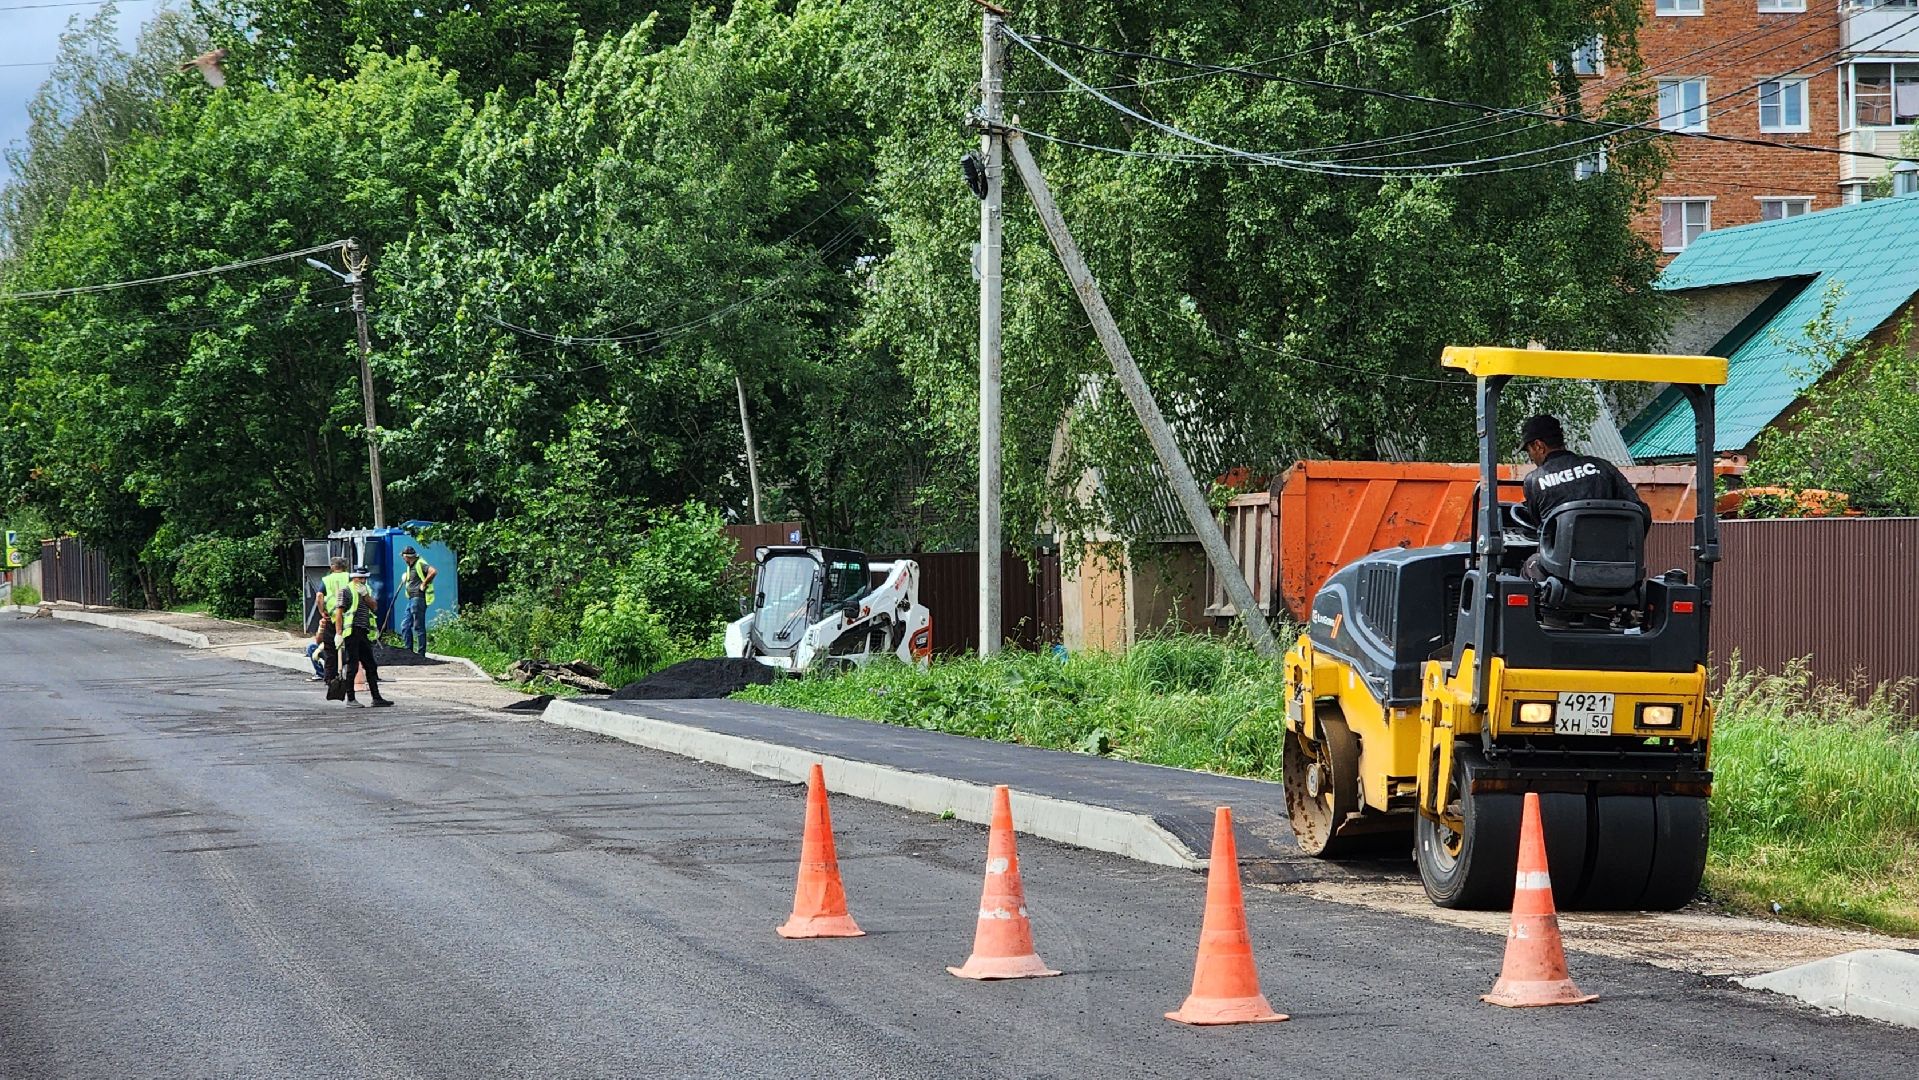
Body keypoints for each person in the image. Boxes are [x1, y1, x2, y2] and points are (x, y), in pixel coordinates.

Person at [1517, 414, 1649, 582]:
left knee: (1528, 568)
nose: (1531, 457)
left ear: (1539, 446)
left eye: (1529, 451)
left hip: (1560, 574)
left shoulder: (1535, 481)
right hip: (1614, 568)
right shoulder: (1603, 467)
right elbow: (1642, 512)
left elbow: (1542, 530)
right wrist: (1626, 553)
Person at [334, 565, 393, 708]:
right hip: (351, 633)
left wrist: (365, 595)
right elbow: (339, 613)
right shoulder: (346, 591)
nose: (362, 581)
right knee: (353, 666)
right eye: (360, 578)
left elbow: (374, 607)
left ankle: (376, 698)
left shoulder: (366, 591)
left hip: (363, 633)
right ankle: (351, 699)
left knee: (371, 665)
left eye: (364, 578)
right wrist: (339, 633)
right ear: (353, 578)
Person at [314, 556, 351, 684]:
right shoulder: (350, 577)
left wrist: (322, 611)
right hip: (349, 617)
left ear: (332, 567)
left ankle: (329, 677)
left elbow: (319, 596)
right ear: (345, 566)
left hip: (332, 618)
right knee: (350, 646)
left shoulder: (327, 579)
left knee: (330, 648)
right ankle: (350, 675)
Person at [398, 546, 437, 656]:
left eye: (403, 557)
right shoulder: (410, 566)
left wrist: (424, 584)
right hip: (411, 599)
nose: (403, 559)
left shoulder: (420, 563)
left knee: (418, 626)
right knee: (405, 626)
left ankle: (421, 654)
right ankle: (408, 651)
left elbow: (433, 571)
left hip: (418, 598)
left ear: (406, 557)